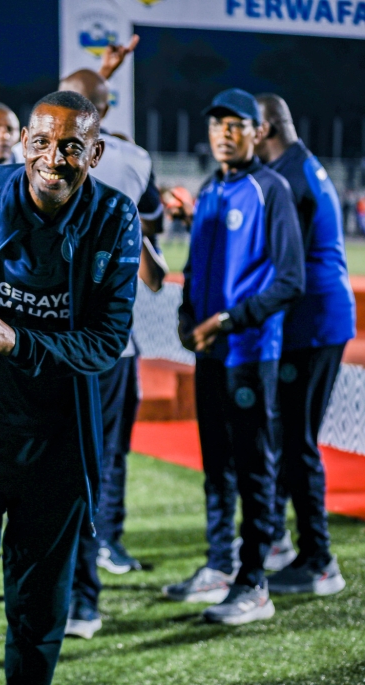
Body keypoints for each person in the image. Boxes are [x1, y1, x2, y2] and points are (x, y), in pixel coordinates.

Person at [0, 90, 141, 684]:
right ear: (23, 144)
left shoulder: (116, 217)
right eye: (41, 142)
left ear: (95, 152)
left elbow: (106, 342)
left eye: (71, 146)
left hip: (57, 453)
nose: (53, 158)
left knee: (38, 618)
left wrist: (16, 340)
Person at [166, 88, 304, 625]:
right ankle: (221, 566)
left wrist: (229, 320)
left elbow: (291, 281)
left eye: (235, 124)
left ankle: (255, 582)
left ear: (256, 132)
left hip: (250, 352)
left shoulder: (272, 190)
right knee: (216, 466)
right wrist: (185, 315)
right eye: (216, 124)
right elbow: (196, 271)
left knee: (253, 468)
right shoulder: (209, 190)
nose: (224, 132)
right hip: (209, 353)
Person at [58, 67, 167, 640]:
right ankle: (104, 557)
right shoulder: (133, 158)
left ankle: (80, 593)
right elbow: (155, 255)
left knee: (63, 466)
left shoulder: (39, 161)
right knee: (101, 459)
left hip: (50, 345)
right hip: (107, 345)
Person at [254, 93, 352, 595]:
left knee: (296, 441)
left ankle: (318, 560)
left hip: (311, 323)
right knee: (286, 435)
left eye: (249, 127)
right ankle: (278, 538)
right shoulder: (300, 164)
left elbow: (277, 260)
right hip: (314, 319)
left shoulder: (289, 177)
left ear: (266, 127)